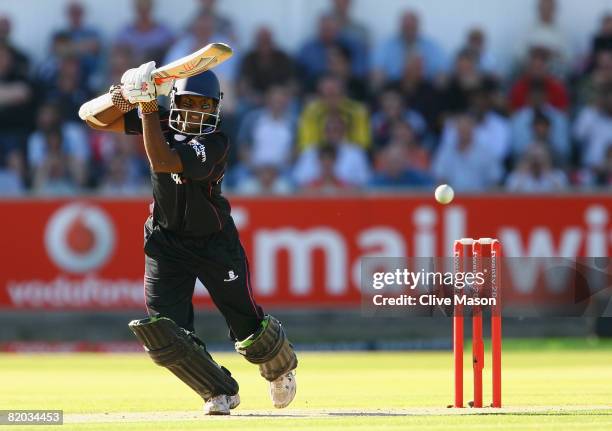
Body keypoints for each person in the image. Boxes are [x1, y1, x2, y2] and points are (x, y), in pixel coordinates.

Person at [78, 64, 297, 415]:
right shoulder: (160, 119)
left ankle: (280, 369)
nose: (198, 112)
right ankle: (218, 391)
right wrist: (123, 95)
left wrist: (147, 106)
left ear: (217, 109)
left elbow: (164, 161)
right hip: (166, 242)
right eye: (191, 103)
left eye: (206, 106)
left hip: (214, 242)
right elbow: (91, 118)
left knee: (248, 329)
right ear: (175, 100)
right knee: (165, 333)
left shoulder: (216, 142)